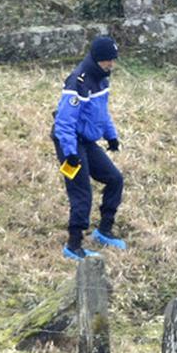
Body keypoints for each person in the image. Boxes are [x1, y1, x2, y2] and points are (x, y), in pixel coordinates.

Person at [52, 36, 126, 260]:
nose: (111, 65)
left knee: (115, 179)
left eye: (113, 61)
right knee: (82, 191)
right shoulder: (78, 81)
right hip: (70, 142)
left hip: (86, 140)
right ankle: (74, 245)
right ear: (97, 59)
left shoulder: (102, 79)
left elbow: (101, 112)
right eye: (108, 61)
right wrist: (70, 153)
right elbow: (64, 122)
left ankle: (104, 230)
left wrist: (111, 136)